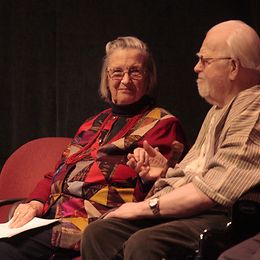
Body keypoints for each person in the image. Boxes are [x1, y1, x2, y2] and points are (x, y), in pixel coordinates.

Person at [81, 20, 260, 260]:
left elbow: (215, 191)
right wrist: (164, 174)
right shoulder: (219, 110)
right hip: (198, 211)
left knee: (144, 243)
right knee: (100, 233)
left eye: (205, 60)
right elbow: (199, 174)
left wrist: (141, 208)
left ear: (234, 67)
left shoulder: (254, 107)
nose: (197, 67)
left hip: (225, 216)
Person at [0, 36, 187, 259]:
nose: (125, 80)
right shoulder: (93, 123)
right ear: (107, 78)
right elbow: (56, 173)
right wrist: (35, 202)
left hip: (96, 225)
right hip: (51, 217)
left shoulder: (163, 124)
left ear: (148, 78)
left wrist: (148, 177)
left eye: (135, 72)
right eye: (117, 72)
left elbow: (161, 190)